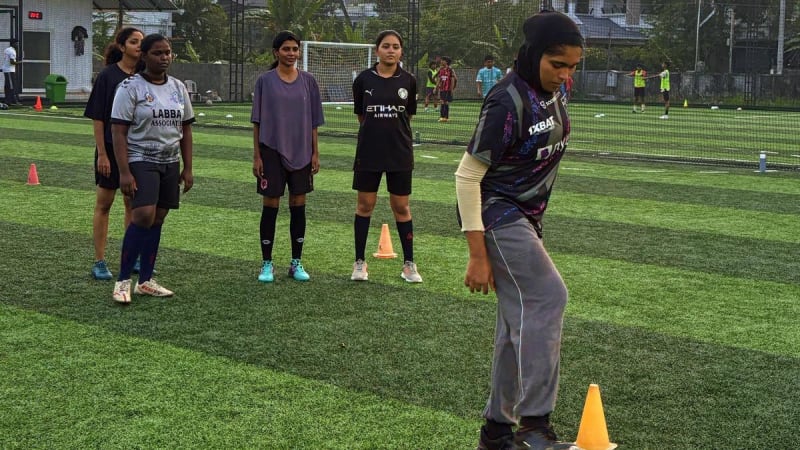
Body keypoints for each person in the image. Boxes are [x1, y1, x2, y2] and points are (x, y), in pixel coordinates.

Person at [454, 11, 583, 450]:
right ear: (533, 55)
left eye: (572, 66)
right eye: (557, 64)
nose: (565, 75)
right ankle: (534, 428)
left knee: (516, 323)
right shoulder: (506, 101)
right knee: (549, 296)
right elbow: (467, 177)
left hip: (524, 218)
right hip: (497, 213)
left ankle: (497, 432)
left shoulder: (551, 92)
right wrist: (477, 254)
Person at [110, 33, 195, 303]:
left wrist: (188, 167)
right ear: (144, 56)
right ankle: (123, 280)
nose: (164, 57)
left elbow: (186, 129)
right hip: (140, 158)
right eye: (158, 53)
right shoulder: (129, 87)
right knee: (143, 215)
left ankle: (145, 281)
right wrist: (124, 172)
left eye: (168, 52)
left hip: (170, 160)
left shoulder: (178, 87)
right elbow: (119, 132)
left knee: (158, 218)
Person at [251, 30, 323, 283]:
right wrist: (257, 156)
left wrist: (315, 152)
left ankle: (296, 262)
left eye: (294, 49)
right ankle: (267, 263)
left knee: (298, 206)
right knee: (270, 206)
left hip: (302, 151)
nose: (291, 53)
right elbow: (257, 121)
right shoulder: (265, 81)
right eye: (286, 49)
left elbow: (314, 122)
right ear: (276, 52)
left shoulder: (308, 81)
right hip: (271, 150)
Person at [350, 30, 421, 283]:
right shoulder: (363, 80)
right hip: (369, 153)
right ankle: (359, 263)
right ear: (377, 50)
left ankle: (409, 264)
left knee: (401, 207)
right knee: (365, 206)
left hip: (399, 153)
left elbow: (407, 116)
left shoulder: (409, 81)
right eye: (386, 46)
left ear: (401, 51)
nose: (391, 50)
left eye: (396, 47)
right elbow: (362, 116)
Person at [84, 27, 144, 281]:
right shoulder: (108, 76)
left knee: (133, 204)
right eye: (134, 41)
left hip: (136, 150)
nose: (139, 46)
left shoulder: (144, 76)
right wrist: (102, 154)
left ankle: (131, 258)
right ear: (122, 46)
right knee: (104, 204)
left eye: (142, 42)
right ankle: (99, 261)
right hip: (110, 149)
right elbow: (98, 118)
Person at [434, 56, 457, 122]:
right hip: (442, 89)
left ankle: (446, 117)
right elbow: (439, 79)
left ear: (446, 62)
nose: (441, 61)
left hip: (448, 89)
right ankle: (442, 117)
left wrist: (452, 89)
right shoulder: (441, 69)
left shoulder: (450, 70)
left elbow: (454, 79)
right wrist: (436, 87)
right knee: (442, 102)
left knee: (446, 102)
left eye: (442, 60)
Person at [2, 38, 22, 106]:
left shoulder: (7, 49)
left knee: (7, 86)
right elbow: (12, 62)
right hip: (9, 70)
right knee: (11, 86)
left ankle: (7, 100)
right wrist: (20, 62)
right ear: (13, 44)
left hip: (6, 70)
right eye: (16, 43)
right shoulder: (12, 51)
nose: (17, 45)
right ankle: (11, 101)